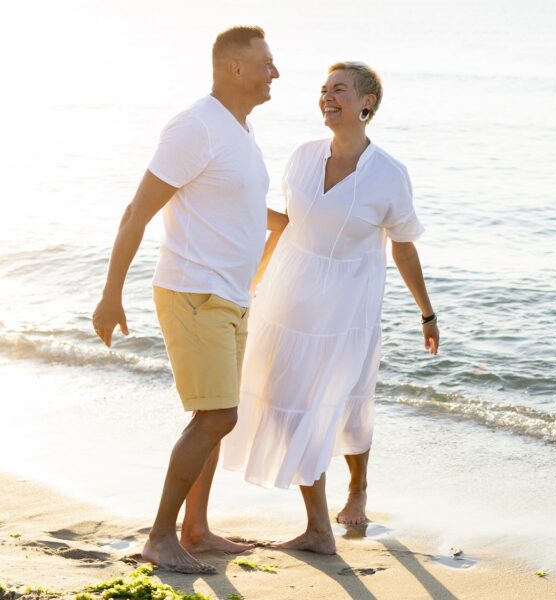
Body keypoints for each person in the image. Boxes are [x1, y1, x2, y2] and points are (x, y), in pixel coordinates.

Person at [222, 61, 439, 554]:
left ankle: (357, 488)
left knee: (347, 405)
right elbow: (290, 225)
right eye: (323, 90)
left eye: (339, 89)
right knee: (288, 401)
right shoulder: (301, 157)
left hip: (347, 305)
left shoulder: (389, 175)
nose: (327, 96)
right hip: (287, 297)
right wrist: (247, 283)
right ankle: (319, 527)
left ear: (367, 104)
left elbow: (403, 246)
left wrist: (426, 313)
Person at [91, 26, 284, 573]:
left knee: (218, 415)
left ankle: (195, 529)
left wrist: (292, 224)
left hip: (229, 295)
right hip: (193, 291)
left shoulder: (239, 131)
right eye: (267, 63)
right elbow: (137, 212)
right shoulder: (196, 126)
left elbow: (234, 203)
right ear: (235, 69)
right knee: (215, 415)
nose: (276, 72)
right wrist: (111, 295)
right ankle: (160, 536)